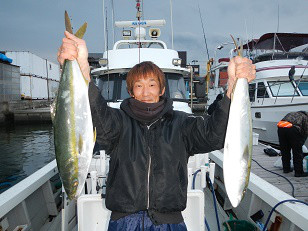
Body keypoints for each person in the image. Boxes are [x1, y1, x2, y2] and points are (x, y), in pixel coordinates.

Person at [58, 31, 256, 230]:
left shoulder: (182, 124)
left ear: (162, 90)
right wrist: (82, 66)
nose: (146, 92)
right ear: (131, 91)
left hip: (169, 223)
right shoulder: (118, 122)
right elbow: (94, 111)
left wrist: (233, 86)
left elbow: (215, 135)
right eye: (139, 85)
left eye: (152, 85)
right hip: (124, 222)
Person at [277, 111, 308, 177]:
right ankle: (298, 172)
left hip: (280, 128)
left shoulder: (292, 113)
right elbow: (305, 131)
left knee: (285, 150)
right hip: (292, 129)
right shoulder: (305, 117)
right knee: (297, 151)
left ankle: (286, 168)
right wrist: (301, 143)